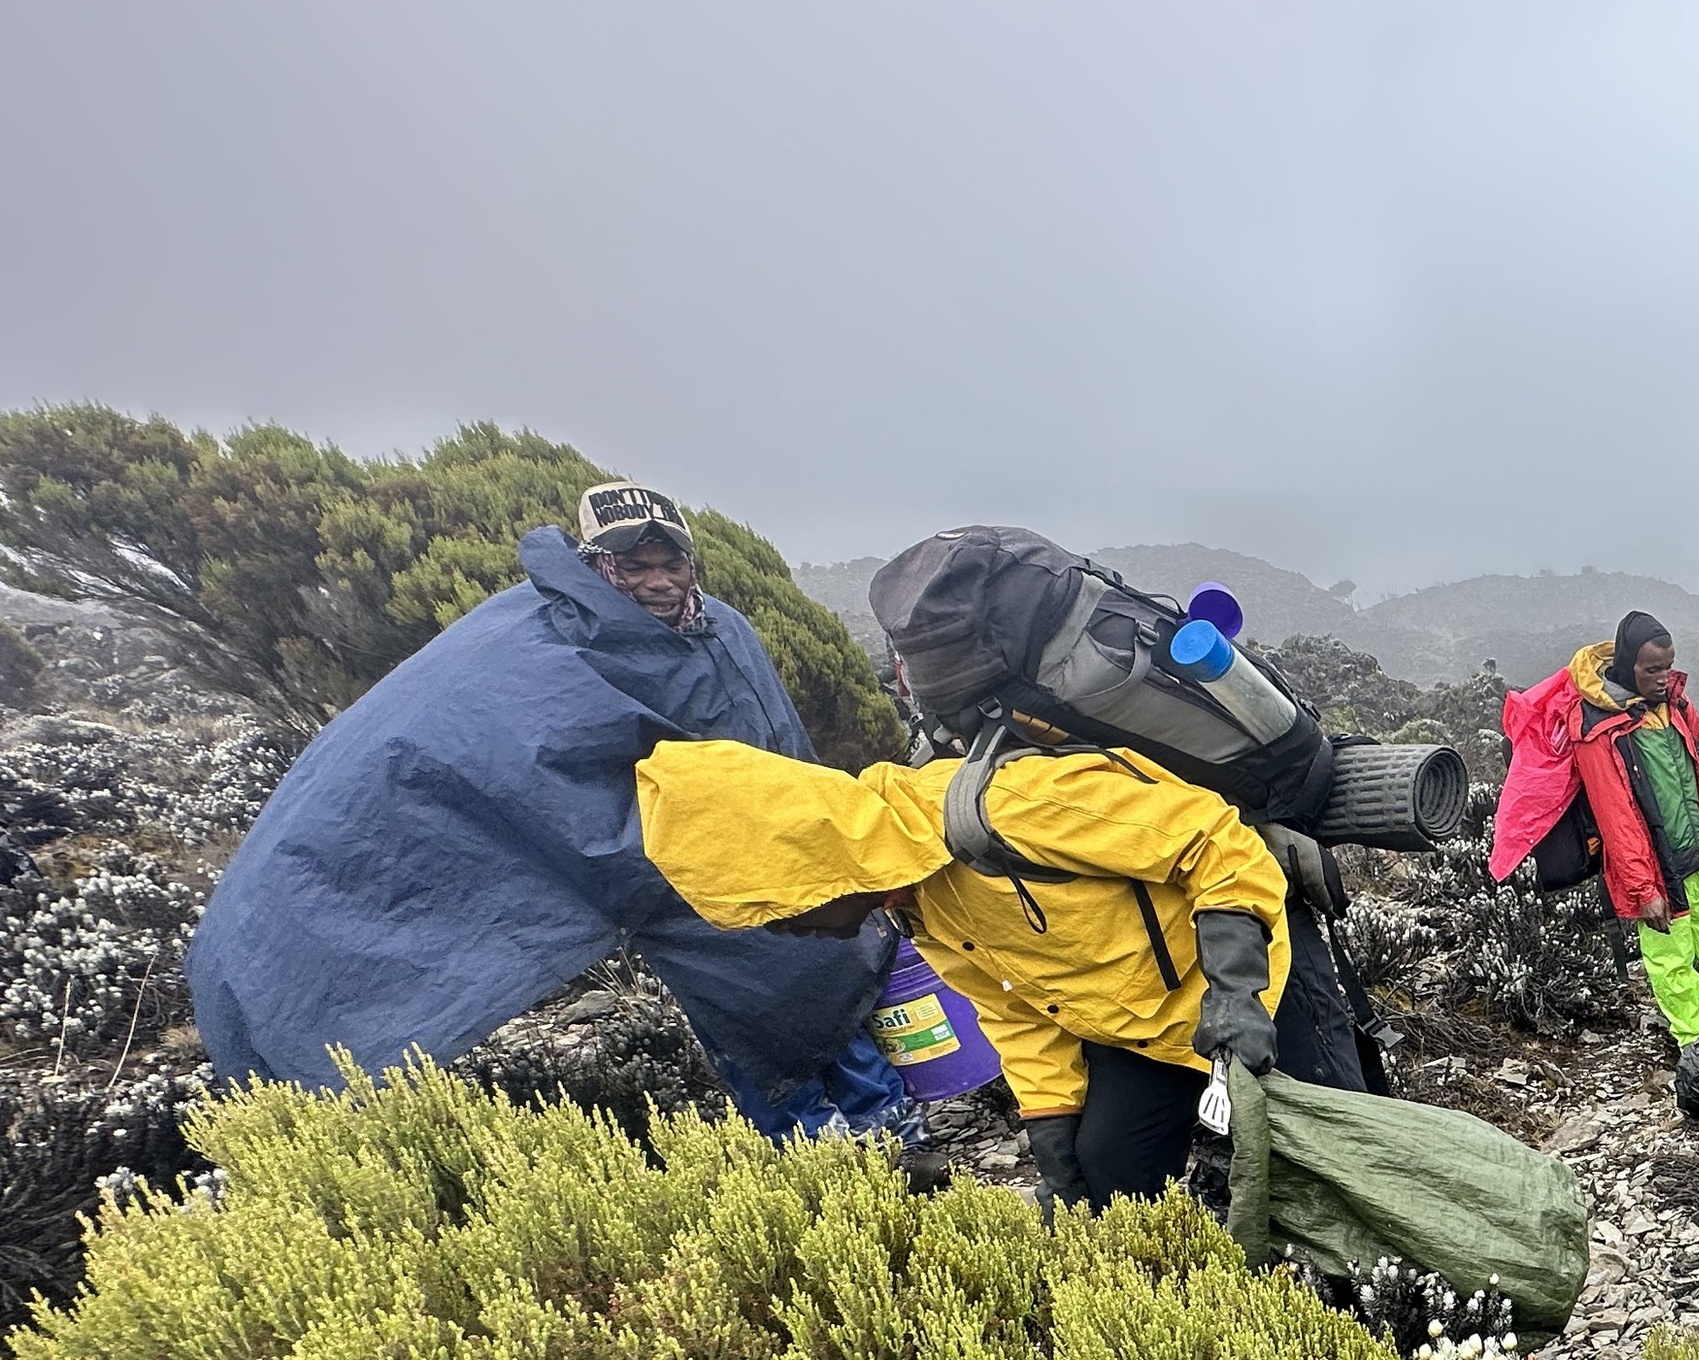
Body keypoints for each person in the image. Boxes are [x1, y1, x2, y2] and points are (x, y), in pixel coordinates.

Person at [189, 483, 909, 1133]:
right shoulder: (530, 640)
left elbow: (778, 741)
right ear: (598, 563)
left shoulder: (723, 631)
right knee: (743, 1009)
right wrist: (647, 852)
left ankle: (889, 1127)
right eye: (635, 565)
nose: (658, 582)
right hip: (676, 873)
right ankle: (820, 1155)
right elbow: (455, 742)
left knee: (825, 981)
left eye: (672, 563)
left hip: (773, 848)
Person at [635, 734, 1287, 1207]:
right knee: (1103, 1181)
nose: (790, 931)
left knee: (1309, 1174)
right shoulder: (909, 898)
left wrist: (1234, 993)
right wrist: (1051, 1132)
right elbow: (1020, 1009)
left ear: (812, 862)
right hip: (1136, 1029)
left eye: (781, 909)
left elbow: (1214, 841)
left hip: (1250, 983)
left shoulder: (1003, 808)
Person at [1568, 609, 1699, 1047]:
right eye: (1652, 669)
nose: (1664, 677)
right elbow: (1616, 819)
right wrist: (1644, 891)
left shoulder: (1678, 706)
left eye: (1668, 666)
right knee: (1674, 970)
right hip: (1659, 875)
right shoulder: (1597, 728)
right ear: (1629, 665)